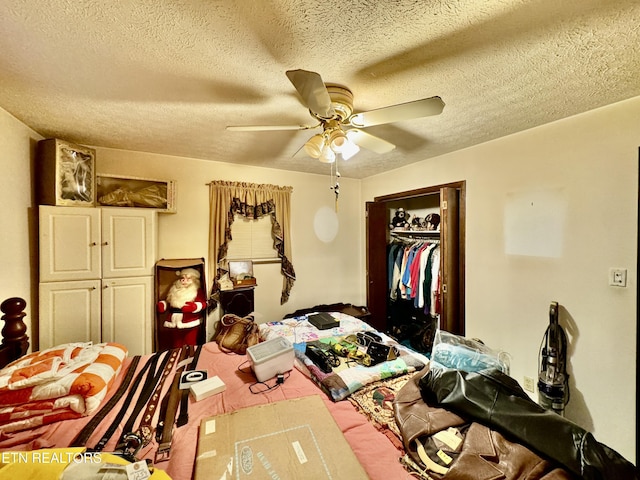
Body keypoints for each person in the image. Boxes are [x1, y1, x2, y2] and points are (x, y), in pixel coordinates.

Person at [157, 268, 206, 347]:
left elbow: (203, 304)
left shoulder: (197, 290)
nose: (184, 281)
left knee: (190, 342)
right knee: (176, 343)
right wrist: (163, 305)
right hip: (174, 321)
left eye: (188, 279)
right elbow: (169, 301)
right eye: (182, 278)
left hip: (189, 321)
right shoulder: (174, 290)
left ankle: (191, 357)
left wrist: (194, 307)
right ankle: (177, 356)